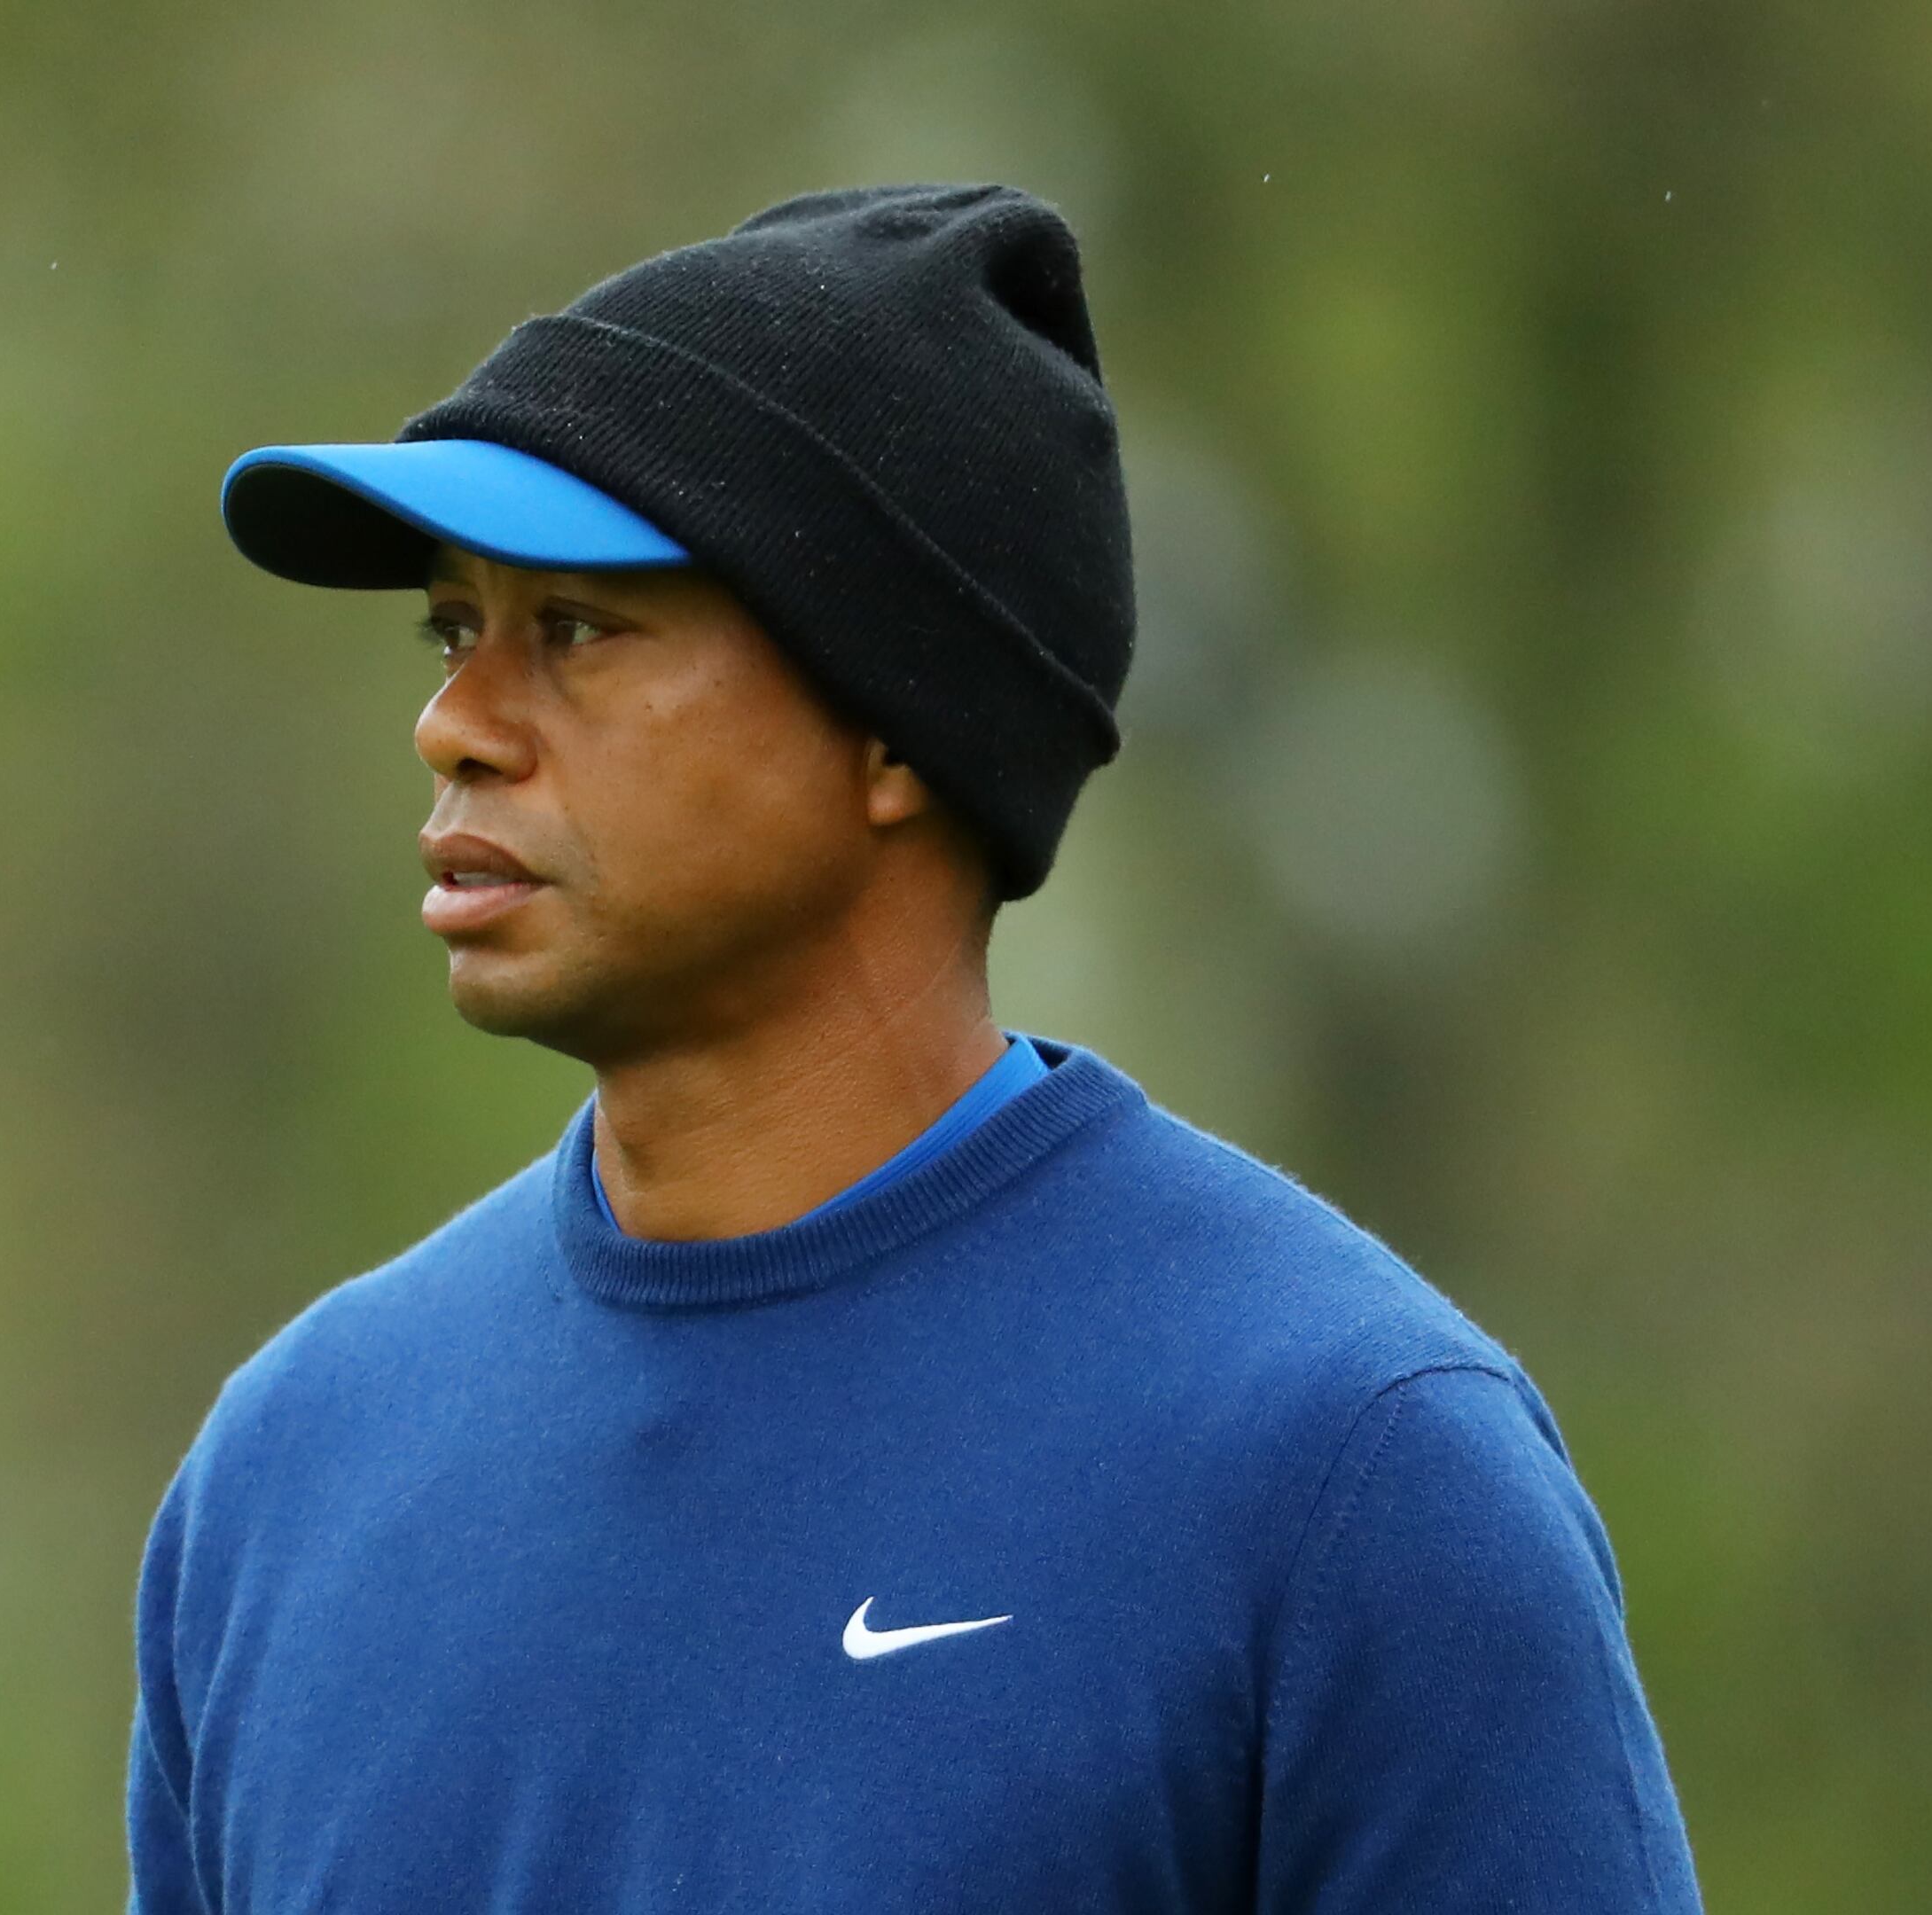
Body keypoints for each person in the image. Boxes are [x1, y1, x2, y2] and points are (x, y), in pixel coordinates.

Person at [127, 183, 1703, 1912]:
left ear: (893, 728)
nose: (454, 722)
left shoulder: (1349, 1472)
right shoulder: (287, 1478)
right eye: (453, 631)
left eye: (573, 630)